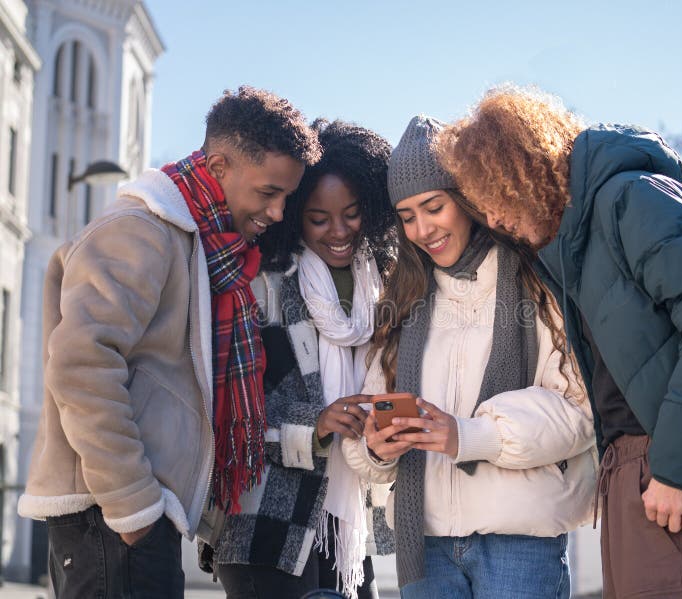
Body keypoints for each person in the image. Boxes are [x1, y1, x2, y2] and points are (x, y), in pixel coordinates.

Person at [435, 85, 682, 598]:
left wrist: (677, 470)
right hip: (639, 474)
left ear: (522, 170)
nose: (492, 220)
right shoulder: (582, 237)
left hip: (674, 473)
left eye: (492, 198)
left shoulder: (629, 200)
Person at [17, 86, 321, 598]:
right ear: (220, 165)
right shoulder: (141, 231)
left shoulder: (199, 242)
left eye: (287, 196)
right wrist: (133, 505)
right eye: (269, 192)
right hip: (111, 516)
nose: (276, 211)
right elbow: (79, 365)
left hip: (131, 516)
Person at [342, 115, 597, 599]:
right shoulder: (403, 298)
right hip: (427, 546)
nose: (421, 229)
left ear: (467, 200)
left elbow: (580, 411)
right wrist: (377, 446)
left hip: (520, 541)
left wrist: (468, 434)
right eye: (407, 215)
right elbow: (367, 422)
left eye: (433, 207)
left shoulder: (537, 284)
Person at [209, 120, 397, 599]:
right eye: (319, 219)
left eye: (352, 214)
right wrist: (315, 425)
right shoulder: (263, 287)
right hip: (266, 525)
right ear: (294, 216)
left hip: (351, 527)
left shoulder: (385, 291)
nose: (339, 232)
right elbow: (230, 415)